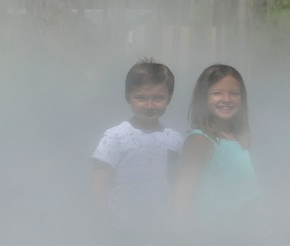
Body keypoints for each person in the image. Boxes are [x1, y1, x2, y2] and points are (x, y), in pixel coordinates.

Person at [91, 59, 183, 233]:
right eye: (141, 98)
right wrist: (100, 219)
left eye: (158, 98)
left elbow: (176, 180)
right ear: (128, 97)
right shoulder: (116, 136)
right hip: (120, 228)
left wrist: (177, 219)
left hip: (161, 228)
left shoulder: (174, 140)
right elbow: (100, 180)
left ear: (169, 99)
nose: (149, 105)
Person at [173, 64, 259, 232]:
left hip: (244, 236)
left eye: (234, 93)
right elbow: (181, 194)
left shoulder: (241, 141)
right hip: (211, 236)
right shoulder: (200, 141)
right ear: (203, 98)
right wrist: (178, 235)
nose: (226, 99)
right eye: (217, 93)